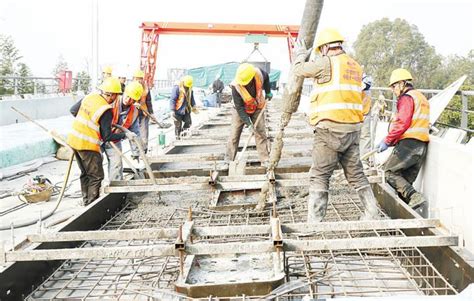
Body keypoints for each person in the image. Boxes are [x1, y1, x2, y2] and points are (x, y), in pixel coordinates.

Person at [292, 28, 379, 222]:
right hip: (353, 129)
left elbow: (298, 70)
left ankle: (315, 222)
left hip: (330, 129)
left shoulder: (326, 63)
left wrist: (299, 54)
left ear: (324, 48)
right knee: (356, 173)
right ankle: (372, 214)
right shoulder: (354, 66)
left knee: (320, 175)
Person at [67, 77, 134, 206]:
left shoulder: (90, 97)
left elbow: (73, 110)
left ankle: (86, 200)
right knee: (96, 176)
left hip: (74, 139)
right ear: (112, 94)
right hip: (88, 144)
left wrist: (90, 122)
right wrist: (124, 135)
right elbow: (107, 137)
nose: (116, 98)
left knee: (85, 173)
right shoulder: (105, 109)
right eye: (116, 95)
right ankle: (92, 205)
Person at [377, 68, 430, 208]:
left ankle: (414, 197)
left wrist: (387, 141)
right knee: (404, 184)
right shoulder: (421, 97)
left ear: (402, 83)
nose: (393, 90)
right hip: (421, 145)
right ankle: (405, 215)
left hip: (409, 144)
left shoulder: (407, 98)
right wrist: (392, 141)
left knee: (389, 172)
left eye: (394, 86)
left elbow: (403, 122)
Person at [226, 63, 272, 165]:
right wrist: (249, 123)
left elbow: (267, 78)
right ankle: (228, 160)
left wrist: (268, 91)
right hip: (240, 110)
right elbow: (239, 108)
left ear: (251, 78)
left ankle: (265, 159)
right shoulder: (236, 86)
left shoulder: (259, 74)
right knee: (234, 134)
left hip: (257, 106)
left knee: (260, 132)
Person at [102, 81, 143, 180]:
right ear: (124, 92)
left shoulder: (134, 112)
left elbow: (134, 133)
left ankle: (116, 188)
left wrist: (136, 152)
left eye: (131, 99)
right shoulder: (111, 102)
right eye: (127, 96)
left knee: (116, 164)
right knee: (95, 165)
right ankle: (96, 191)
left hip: (114, 139)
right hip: (99, 137)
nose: (128, 100)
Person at [170, 75, 197, 139]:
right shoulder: (177, 88)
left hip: (186, 109)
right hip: (177, 110)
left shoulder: (190, 87)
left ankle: (184, 136)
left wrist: (194, 105)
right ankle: (178, 139)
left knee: (188, 122)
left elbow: (191, 98)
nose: (187, 87)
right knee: (178, 126)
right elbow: (172, 99)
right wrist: (172, 110)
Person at [133, 70, 153, 153]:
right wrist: (134, 104)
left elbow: (148, 101)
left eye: (140, 79)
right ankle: (136, 151)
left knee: (144, 132)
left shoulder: (146, 88)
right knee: (134, 132)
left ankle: (144, 149)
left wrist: (151, 113)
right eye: (137, 79)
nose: (139, 81)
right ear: (133, 79)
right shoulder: (131, 88)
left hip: (144, 112)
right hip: (133, 113)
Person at [359, 73, 374, 165]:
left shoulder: (366, 78)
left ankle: (364, 161)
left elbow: (365, 85)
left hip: (364, 111)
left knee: (365, 136)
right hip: (351, 112)